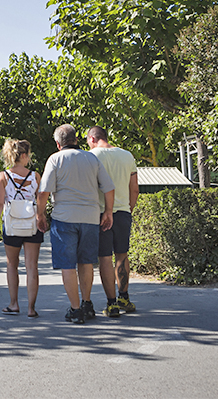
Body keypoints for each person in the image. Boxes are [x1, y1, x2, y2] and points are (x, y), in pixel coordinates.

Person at [36, 124, 115, 324]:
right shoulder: (92, 158)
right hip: (90, 218)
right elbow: (108, 188)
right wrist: (108, 212)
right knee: (86, 262)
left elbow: (44, 192)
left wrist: (40, 214)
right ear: (76, 140)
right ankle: (87, 303)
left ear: (58, 143)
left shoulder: (55, 159)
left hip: (64, 218)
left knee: (67, 266)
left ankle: (75, 309)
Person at [87, 125, 139, 317]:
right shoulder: (127, 155)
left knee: (105, 259)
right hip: (123, 212)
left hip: (100, 213)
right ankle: (124, 297)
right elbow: (135, 189)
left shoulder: (91, 157)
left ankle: (111, 304)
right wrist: (128, 209)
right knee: (122, 255)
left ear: (92, 139)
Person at [0, 139, 43, 318]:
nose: (29, 158)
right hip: (32, 225)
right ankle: (31, 308)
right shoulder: (35, 176)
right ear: (23, 155)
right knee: (32, 266)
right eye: (28, 155)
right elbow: (40, 199)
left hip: (11, 225)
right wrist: (41, 216)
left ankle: (14, 304)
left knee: (12, 265)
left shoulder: (3, 176)